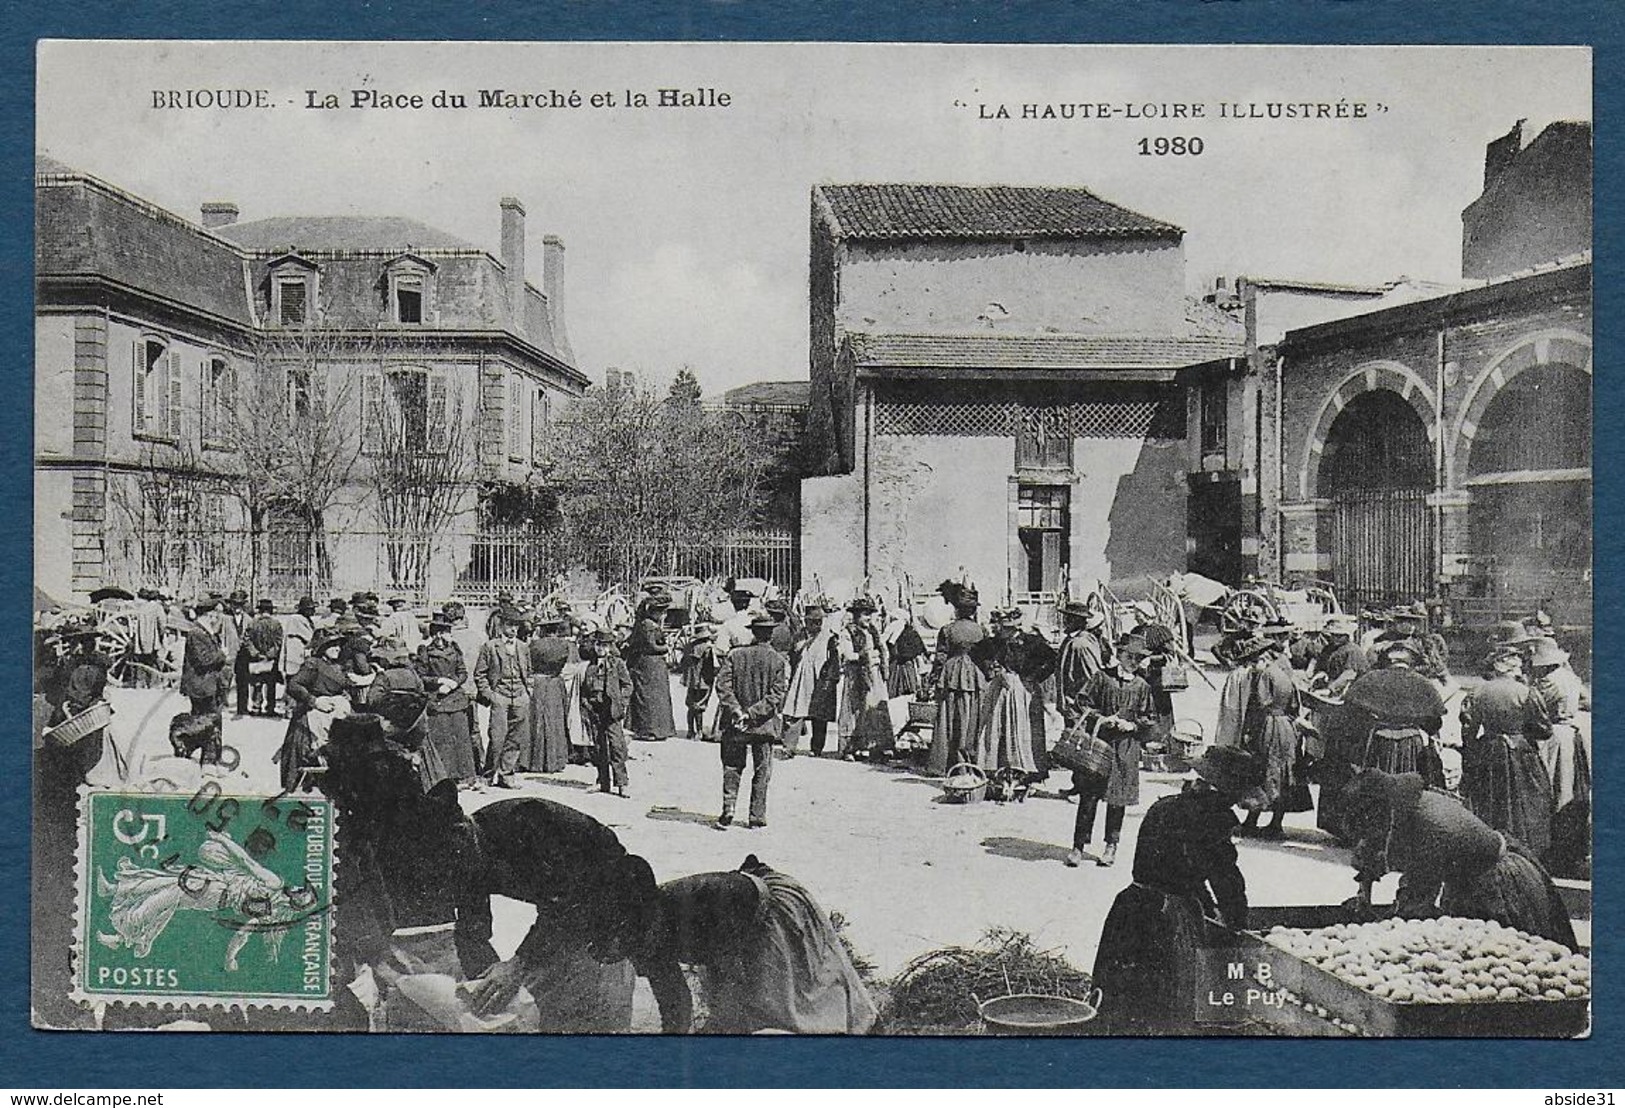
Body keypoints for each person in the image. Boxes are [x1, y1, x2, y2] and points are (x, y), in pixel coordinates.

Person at [1092, 747, 1265, 1034]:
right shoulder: (1214, 818)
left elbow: (1182, 865)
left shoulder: (1165, 805)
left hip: (1131, 906)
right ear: (1228, 793)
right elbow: (1225, 878)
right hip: (1167, 918)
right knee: (1168, 1002)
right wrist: (1237, 923)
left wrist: (1208, 906)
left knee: (1122, 998)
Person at [457, 797, 667, 1032]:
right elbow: (472, 931)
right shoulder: (461, 855)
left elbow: (565, 901)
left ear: (464, 830)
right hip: (562, 910)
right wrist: (485, 982)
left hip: (603, 895)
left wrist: (517, 964)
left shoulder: (526, 821)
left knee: (599, 1007)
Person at [1340, 770, 1578, 950]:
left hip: (1499, 883)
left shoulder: (1429, 827)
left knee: (1501, 952)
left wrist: (1379, 931)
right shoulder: (1408, 806)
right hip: (1467, 880)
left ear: (1383, 813)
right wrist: (1364, 893)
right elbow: (1370, 852)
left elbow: (1416, 900)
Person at [644, 854, 878, 1034]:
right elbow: (676, 1006)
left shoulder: (673, 918)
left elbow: (723, 984)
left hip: (775, 912)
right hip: (743, 924)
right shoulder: (645, 930)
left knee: (797, 1008)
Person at [1459, 644, 1555, 862]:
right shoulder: (1526, 692)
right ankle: (1524, 850)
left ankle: (1491, 846)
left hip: (1489, 750)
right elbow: (1544, 730)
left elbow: (1468, 730)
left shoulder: (1477, 691)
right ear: (1515, 668)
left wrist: (1472, 754)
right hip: (1520, 751)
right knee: (1528, 800)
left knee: (1490, 799)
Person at [1067, 634, 1156, 868]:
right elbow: (1082, 701)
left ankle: (1111, 845)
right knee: (1089, 796)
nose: (1134, 662)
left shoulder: (1142, 686)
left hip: (1126, 747)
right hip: (1100, 744)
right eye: (1130, 656)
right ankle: (1078, 846)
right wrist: (1102, 718)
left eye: (1139, 658)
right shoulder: (1102, 678)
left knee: (1117, 799)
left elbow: (1150, 718)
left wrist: (1133, 725)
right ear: (1119, 655)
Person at [713, 614, 789, 829]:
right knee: (762, 769)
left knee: (732, 766)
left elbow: (723, 687)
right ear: (771, 634)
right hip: (763, 724)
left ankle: (728, 810)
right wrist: (753, 713)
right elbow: (776, 695)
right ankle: (756, 816)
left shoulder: (735, 655)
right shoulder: (778, 661)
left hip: (735, 723)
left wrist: (737, 710)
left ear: (752, 633)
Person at [1238, 634, 1312, 839]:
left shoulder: (1264, 675)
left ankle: (1251, 821)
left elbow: (1261, 704)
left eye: (1253, 662)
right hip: (1286, 727)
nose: (1252, 666)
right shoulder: (1284, 672)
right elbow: (1295, 705)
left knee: (1262, 770)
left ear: (1262, 658)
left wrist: (1248, 730)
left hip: (1269, 725)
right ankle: (1276, 822)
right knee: (1284, 773)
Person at [1528, 636, 1591, 877]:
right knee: (1569, 787)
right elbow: (1586, 700)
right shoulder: (1570, 678)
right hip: (1571, 734)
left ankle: (1554, 849)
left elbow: (1535, 708)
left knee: (1553, 789)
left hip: (1553, 736)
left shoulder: (1548, 683)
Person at [926, 581, 987, 775]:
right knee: (971, 718)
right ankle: (969, 760)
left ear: (957, 610)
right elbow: (986, 657)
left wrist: (933, 678)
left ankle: (945, 763)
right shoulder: (981, 630)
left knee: (948, 716)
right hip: (974, 674)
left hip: (952, 673)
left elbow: (940, 657)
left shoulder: (947, 630)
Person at [279, 629, 352, 792]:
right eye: (332, 645)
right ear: (322, 647)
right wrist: (314, 701)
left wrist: (344, 694)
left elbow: (338, 686)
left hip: (333, 716)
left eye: (339, 645)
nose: (337, 648)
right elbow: (293, 685)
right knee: (307, 757)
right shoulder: (313, 664)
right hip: (312, 717)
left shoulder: (335, 666)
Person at [415, 612, 480, 789]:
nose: (450, 635)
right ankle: (447, 779)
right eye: (446, 632)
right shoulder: (425, 651)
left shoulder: (455, 649)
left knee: (461, 739)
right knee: (443, 741)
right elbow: (420, 676)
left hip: (456, 698)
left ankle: (466, 776)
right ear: (438, 634)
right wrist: (438, 682)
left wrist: (453, 683)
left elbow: (463, 672)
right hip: (438, 700)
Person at [1054, 599, 1110, 798]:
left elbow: (1092, 677)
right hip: (1070, 702)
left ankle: (1089, 789)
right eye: (1066, 617)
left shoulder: (1081, 644)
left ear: (1079, 621)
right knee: (1076, 744)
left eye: (1069, 618)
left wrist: (1082, 702)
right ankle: (1078, 785)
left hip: (1079, 704)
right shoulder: (1073, 640)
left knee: (1084, 744)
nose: (1065, 621)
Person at [993, 606, 1058, 774]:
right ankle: (1004, 768)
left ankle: (1028, 769)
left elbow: (1052, 660)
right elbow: (990, 660)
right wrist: (998, 671)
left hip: (1026, 691)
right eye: (1002, 626)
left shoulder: (1032, 642)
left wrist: (1034, 676)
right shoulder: (998, 642)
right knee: (1001, 728)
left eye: (1007, 627)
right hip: (1003, 690)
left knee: (1027, 729)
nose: (1002, 630)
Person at [473, 609, 531, 789]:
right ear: (502, 625)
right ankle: (488, 775)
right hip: (501, 697)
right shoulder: (490, 646)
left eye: (516, 626)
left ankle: (507, 774)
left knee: (515, 738)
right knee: (497, 737)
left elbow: (528, 672)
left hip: (520, 697)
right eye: (510, 625)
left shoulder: (523, 647)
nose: (513, 629)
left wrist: (528, 693)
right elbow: (479, 674)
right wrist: (491, 695)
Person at [971, 633, 1038, 778]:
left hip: (1019, 687)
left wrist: (1032, 676)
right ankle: (990, 767)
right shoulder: (992, 641)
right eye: (1004, 626)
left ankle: (1017, 768)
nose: (1006, 629)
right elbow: (975, 654)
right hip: (998, 687)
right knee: (993, 726)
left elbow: (1049, 659)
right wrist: (991, 671)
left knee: (1017, 728)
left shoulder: (1028, 641)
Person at [580, 627, 633, 797]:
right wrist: (586, 704)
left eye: (604, 645)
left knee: (617, 747)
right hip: (595, 711)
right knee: (599, 747)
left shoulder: (617, 664)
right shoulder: (591, 667)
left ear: (610, 646)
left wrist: (621, 703)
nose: (600, 648)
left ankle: (622, 783)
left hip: (612, 712)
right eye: (597, 644)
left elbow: (627, 685)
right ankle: (602, 781)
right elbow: (585, 689)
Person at [838, 599, 894, 758]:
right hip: (857, 675)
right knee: (856, 710)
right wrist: (864, 656)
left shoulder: (873, 631)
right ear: (856, 616)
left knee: (875, 709)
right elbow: (848, 654)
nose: (868, 618)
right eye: (865, 614)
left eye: (870, 614)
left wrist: (880, 659)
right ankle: (851, 748)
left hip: (874, 674)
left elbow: (882, 649)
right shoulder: (848, 632)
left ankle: (876, 746)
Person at [783, 604, 840, 757]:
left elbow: (834, 660)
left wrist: (830, 679)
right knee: (795, 710)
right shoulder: (799, 635)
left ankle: (817, 747)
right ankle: (789, 746)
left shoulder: (830, 637)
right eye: (812, 621)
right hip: (802, 676)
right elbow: (792, 654)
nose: (816, 625)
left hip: (821, 677)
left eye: (819, 621)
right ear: (806, 621)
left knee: (820, 714)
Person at [523, 612, 573, 773]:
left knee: (537, 720)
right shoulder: (565, 645)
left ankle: (536, 761)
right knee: (556, 721)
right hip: (555, 684)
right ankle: (556, 760)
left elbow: (528, 664)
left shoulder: (534, 646)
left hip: (539, 683)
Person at [625, 591, 677, 743]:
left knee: (656, 697)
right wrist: (666, 647)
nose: (663, 616)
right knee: (650, 698)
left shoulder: (649, 624)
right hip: (647, 665)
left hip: (653, 666)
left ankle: (656, 729)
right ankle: (650, 729)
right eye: (661, 612)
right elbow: (651, 646)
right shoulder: (648, 625)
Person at [179, 600, 230, 743]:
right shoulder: (197, 633)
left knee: (205, 720)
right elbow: (204, 660)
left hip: (206, 685)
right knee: (206, 721)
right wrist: (222, 655)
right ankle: (206, 753)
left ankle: (204, 750)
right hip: (201, 686)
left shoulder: (205, 632)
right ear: (209, 615)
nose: (217, 619)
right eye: (216, 615)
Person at [243, 598, 285, 716]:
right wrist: (270, 654)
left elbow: (247, 640)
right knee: (270, 684)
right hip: (270, 660)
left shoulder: (252, 623)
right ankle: (270, 708)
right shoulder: (276, 624)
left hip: (255, 659)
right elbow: (279, 641)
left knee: (257, 683)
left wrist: (255, 653)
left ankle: (256, 706)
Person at [678, 625, 720, 741]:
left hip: (691, 680)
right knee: (699, 707)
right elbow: (710, 666)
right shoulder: (707, 649)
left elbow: (682, 663)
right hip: (703, 680)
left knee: (690, 706)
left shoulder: (688, 647)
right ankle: (699, 731)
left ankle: (690, 731)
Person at [281, 597, 317, 695]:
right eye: (310, 609)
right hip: (295, 656)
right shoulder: (296, 619)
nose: (313, 611)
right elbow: (309, 637)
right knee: (295, 683)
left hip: (298, 655)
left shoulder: (306, 620)